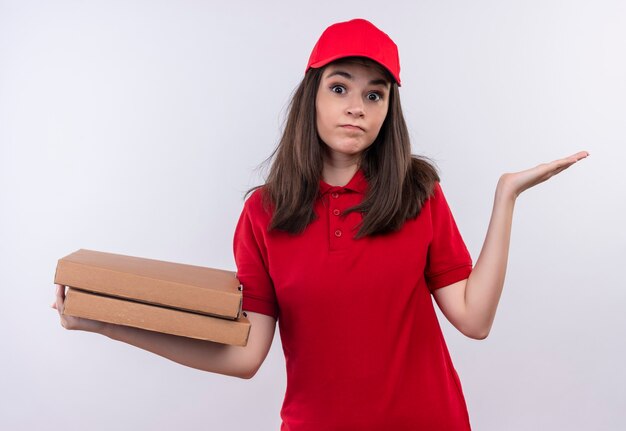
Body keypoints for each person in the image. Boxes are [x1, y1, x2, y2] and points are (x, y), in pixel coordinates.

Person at [53, 18, 588, 430]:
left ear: (387, 111)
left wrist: (506, 197)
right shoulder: (264, 214)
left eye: (374, 94)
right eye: (340, 87)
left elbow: (474, 319)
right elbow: (244, 356)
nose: (356, 107)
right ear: (311, 94)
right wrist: (103, 322)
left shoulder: (416, 194)